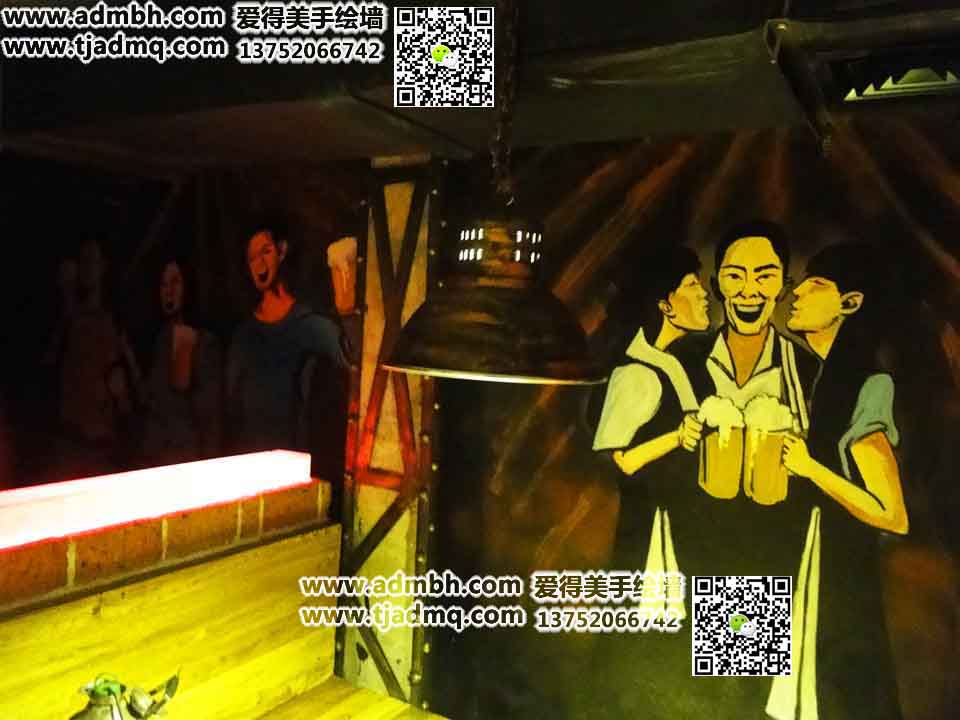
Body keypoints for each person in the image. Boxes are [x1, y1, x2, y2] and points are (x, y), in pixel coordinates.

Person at [782, 242, 907, 720]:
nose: (795, 293)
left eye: (814, 285)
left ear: (850, 303)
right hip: (772, 556)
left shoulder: (867, 384)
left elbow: (892, 514)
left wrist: (810, 468)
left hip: (828, 574)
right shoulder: (797, 370)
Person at [227, 223, 351, 455]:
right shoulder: (244, 335)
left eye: (265, 252)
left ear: (282, 251)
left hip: (294, 460)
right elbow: (230, 408)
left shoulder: (307, 324)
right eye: (252, 258)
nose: (259, 264)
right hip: (249, 462)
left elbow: (350, 356)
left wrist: (346, 301)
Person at [55, 239, 142, 478]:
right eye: (82, 261)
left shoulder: (112, 321)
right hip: (70, 441)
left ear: (103, 266)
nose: (86, 267)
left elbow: (132, 389)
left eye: (92, 260)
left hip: (101, 445)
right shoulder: (69, 320)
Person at [142, 257, 223, 466]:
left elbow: (210, 417)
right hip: (157, 461)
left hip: (188, 460)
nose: (168, 290)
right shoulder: (159, 341)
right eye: (163, 284)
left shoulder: (204, 342)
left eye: (175, 282)